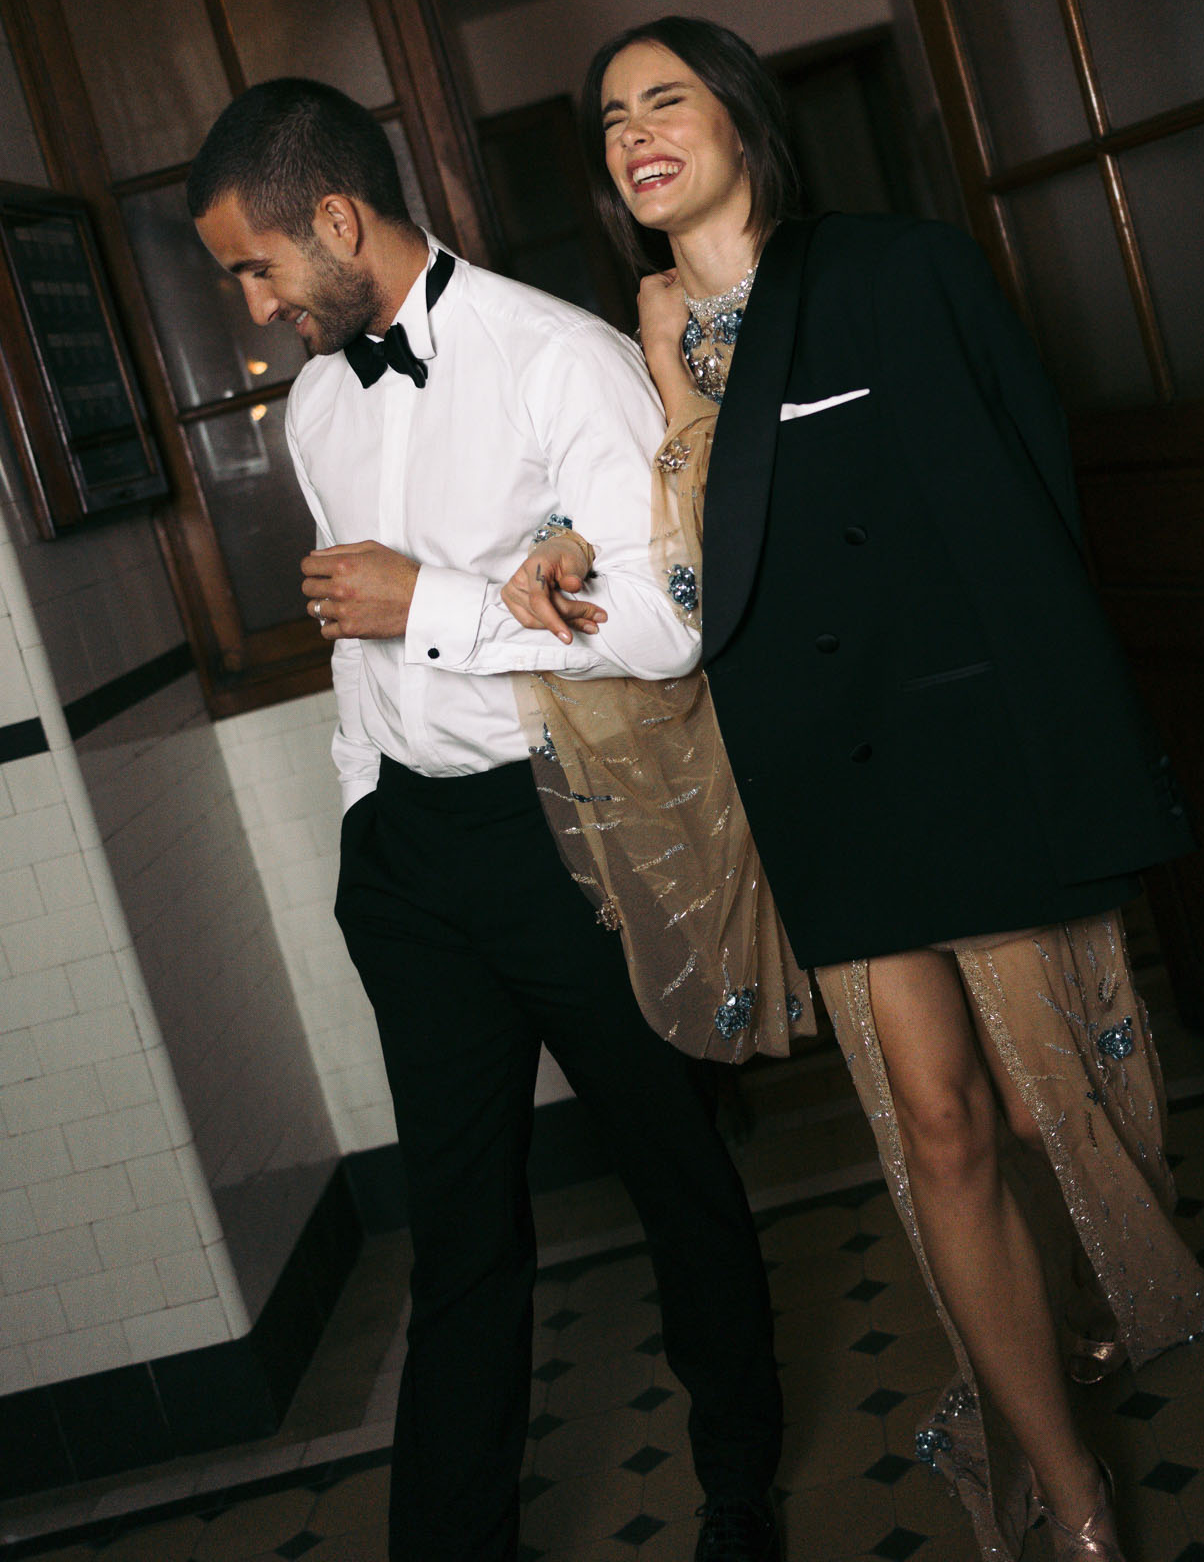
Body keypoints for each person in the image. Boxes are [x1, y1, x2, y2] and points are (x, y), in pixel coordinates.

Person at [503, 18, 1204, 1562]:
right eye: (610, 114)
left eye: (665, 98)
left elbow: (1028, 491)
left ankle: (1092, 1304)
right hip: (814, 779)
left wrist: (1066, 741)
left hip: (963, 756)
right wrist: (562, 542)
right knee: (941, 1129)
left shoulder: (895, 268)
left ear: (742, 119)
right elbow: (651, 530)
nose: (633, 129)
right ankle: (1068, 1483)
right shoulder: (630, 333)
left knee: (1045, 1110)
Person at [185, 77, 787, 1562]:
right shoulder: (319, 407)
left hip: (562, 832)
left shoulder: (556, 360)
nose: (253, 308)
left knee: (673, 1171)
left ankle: (739, 1489)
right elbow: (351, 636)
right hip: (407, 859)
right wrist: (359, 816)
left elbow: (663, 624)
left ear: (336, 219)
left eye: (255, 267)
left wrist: (433, 604)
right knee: (458, 1230)